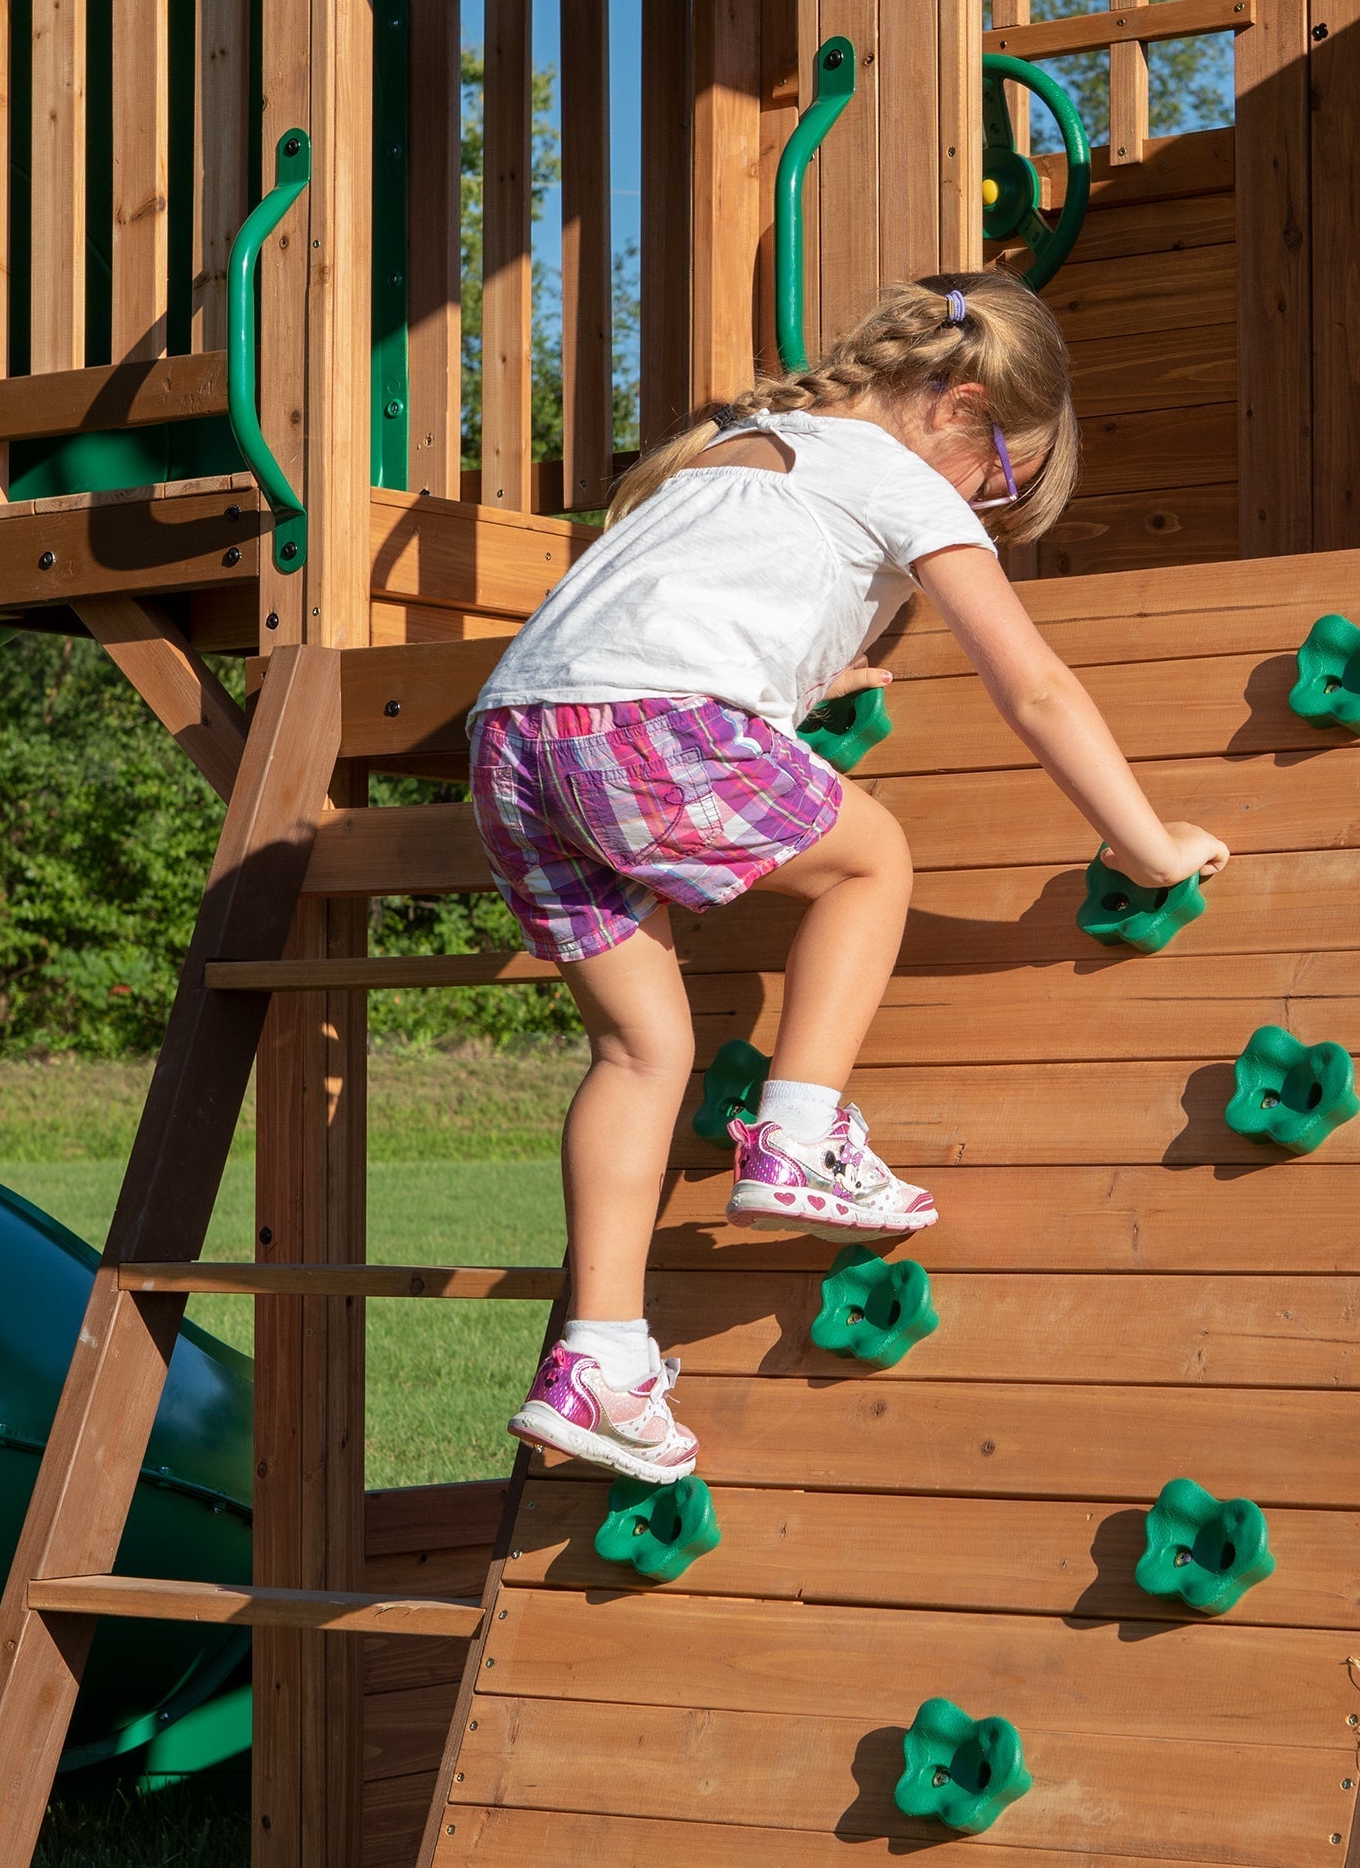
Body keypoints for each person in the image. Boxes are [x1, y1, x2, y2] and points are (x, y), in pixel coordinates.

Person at [466, 270, 1230, 1482]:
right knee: (868, 858)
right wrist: (1147, 840)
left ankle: (599, 1361)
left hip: (514, 743)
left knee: (639, 1051)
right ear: (959, 405)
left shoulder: (738, 448)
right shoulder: (888, 471)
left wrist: (800, 682)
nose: (990, 503)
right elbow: (1030, 684)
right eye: (1005, 480)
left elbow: (676, 607)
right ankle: (798, 1138)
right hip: (642, 724)